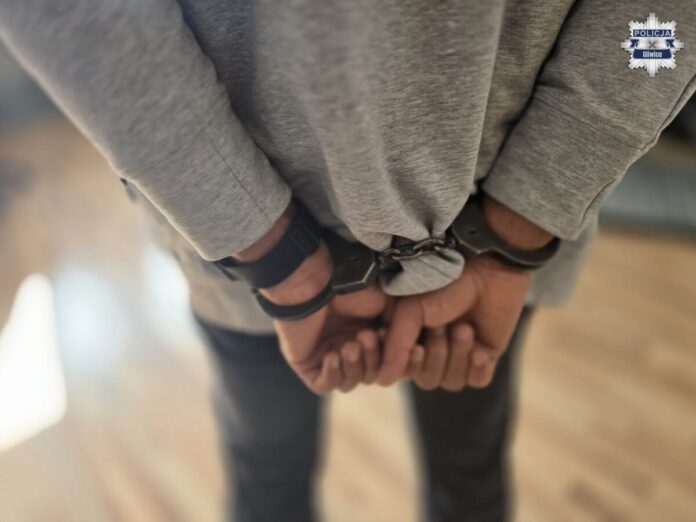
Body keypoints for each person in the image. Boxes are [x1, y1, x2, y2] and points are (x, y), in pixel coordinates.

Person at [1, 1, 694, 520]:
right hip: (259, 254)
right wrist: (267, 248)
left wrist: (525, 215)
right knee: (275, 482)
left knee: (464, 479)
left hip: (473, 253)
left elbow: (661, 20)